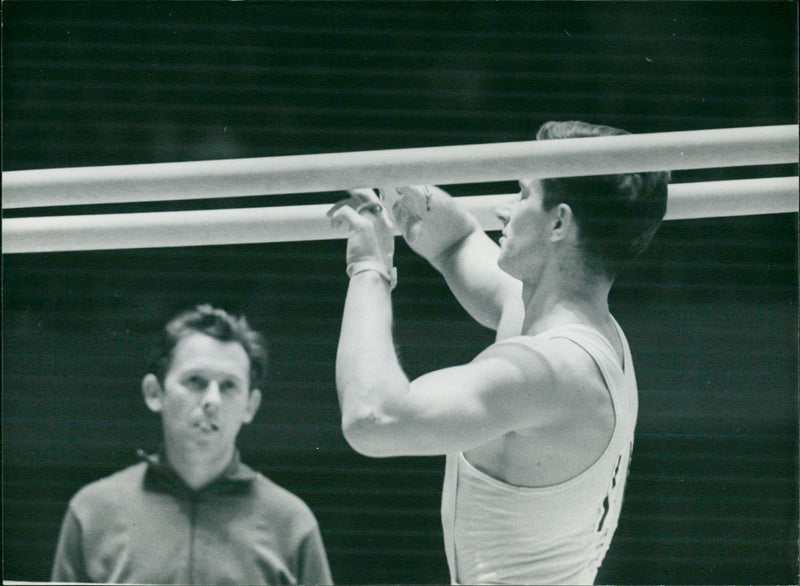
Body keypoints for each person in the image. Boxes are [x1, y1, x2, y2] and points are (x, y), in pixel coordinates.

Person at [328, 120, 670, 585]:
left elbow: (372, 418)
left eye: (522, 194)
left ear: (559, 223)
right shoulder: (566, 323)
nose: (501, 210)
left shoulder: (548, 373)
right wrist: (408, 195)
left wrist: (368, 267)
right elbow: (456, 242)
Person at [51, 304, 333, 585]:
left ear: (250, 405)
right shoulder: (91, 512)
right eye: (195, 381)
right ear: (154, 392)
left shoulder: (293, 523)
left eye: (228, 386)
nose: (212, 400)